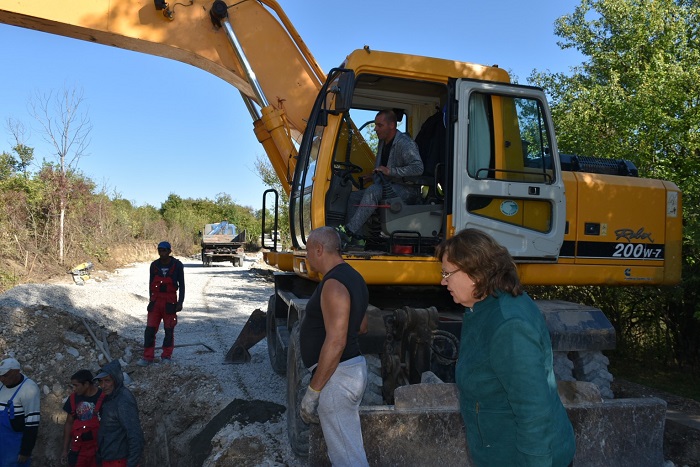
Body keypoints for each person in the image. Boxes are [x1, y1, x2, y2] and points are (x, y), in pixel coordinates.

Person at [435, 229, 576, 466]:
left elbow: (533, 408)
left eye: (447, 273)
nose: (443, 281)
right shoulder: (484, 307)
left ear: (475, 274)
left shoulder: (508, 325)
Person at [299, 227, 370, 466]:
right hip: (349, 371)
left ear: (319, 249)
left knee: (348, 458)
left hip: (337, 378)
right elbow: (362, 326)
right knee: (346, 451)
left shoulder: (333, 283)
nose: (307, 256)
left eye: (308, 251)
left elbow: (337, 341)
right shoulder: (354, 278)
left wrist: (314, 391)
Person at [339, 109, 424, 248]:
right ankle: (358, 240)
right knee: (354, 197)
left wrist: (390, 171)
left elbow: (418, 168)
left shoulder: (405, 143)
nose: (375, 129)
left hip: (407, 190)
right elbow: (384, 170)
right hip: (388, 187)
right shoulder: (382, 142)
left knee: (374, 191)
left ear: (392, 125)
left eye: (379, 125)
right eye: (375, 125)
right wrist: (372, 176)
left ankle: (349, 231)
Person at [138, 241, 185, 366]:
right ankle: (147, 357)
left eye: (164, 250)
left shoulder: (177, 265)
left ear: (169, 251)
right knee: (149, 330)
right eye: (160, 250)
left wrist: (180, 302)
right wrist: (151, 300)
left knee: (169, 330)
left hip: (170, 302)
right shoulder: (154, 266)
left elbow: (182, 285)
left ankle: (166, 356)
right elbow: (150, 283)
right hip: (156, 301)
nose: (162, 253)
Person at [93, 360, 144, 467]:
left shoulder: (123, 401)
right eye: (101, 381)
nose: (103, 385)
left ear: (116, 380)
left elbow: (134, 434)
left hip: (119, 461)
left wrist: (131, 464)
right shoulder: (110, 397)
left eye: (107, 381)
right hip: (110, 458)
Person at [0, 357, 40, 467]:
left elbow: (32, 423)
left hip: (14, 446)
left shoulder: (29, 389)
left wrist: (25, 451)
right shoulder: (1, 385)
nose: (2, 379)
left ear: (16, 372)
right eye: (0, 375)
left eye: (5, 375)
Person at [61, 369, 104, 467]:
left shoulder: (103, 397)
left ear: (87, 384)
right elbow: (69, 423)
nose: (74, 389)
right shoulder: (73, 398)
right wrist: (65, 450)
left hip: (98, 450)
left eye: (76, 385)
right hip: (78, 449)